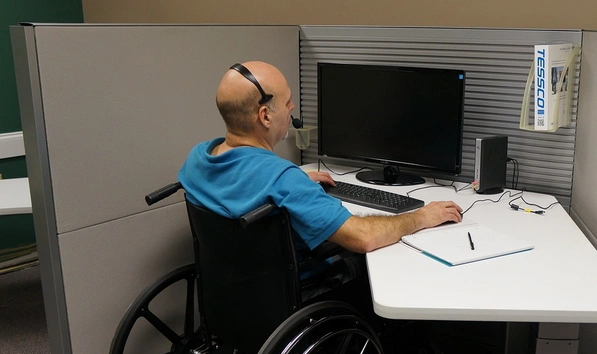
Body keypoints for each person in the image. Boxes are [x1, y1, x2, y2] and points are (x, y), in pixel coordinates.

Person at [178, 61, 463, 296]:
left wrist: (294, 179)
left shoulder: (198, 159)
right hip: (300, 295)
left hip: (235, 296)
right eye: (287, 101)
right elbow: (364, 238)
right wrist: (423, 216)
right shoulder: (283, 180)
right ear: (265, 116)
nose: (292, 107)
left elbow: (241, 183)